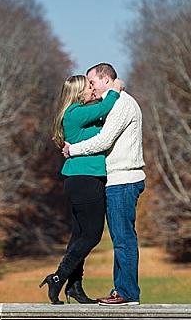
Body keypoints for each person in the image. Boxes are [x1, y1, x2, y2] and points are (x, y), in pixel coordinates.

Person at [62, 63, 144, 306]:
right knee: (120, 237)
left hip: (124, 179)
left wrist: (72, 149)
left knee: (123, 238)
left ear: (106, 80)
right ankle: (122, 290)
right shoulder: (114, 102)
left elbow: (104, 140)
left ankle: (127, 293)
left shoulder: (120, 104)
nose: (91, 88)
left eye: (92, 82)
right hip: (117, 179)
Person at [39, 75, 125, 304]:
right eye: (88, 86)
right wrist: (115, 88)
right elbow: (106, 105)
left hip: (81, 179)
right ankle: (58, 277)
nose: (92, 89)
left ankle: (74, 287)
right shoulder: (76, 112)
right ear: (78, 93)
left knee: (79, 235)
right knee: (92, 235)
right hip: (85, 179)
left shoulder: (79, 113)